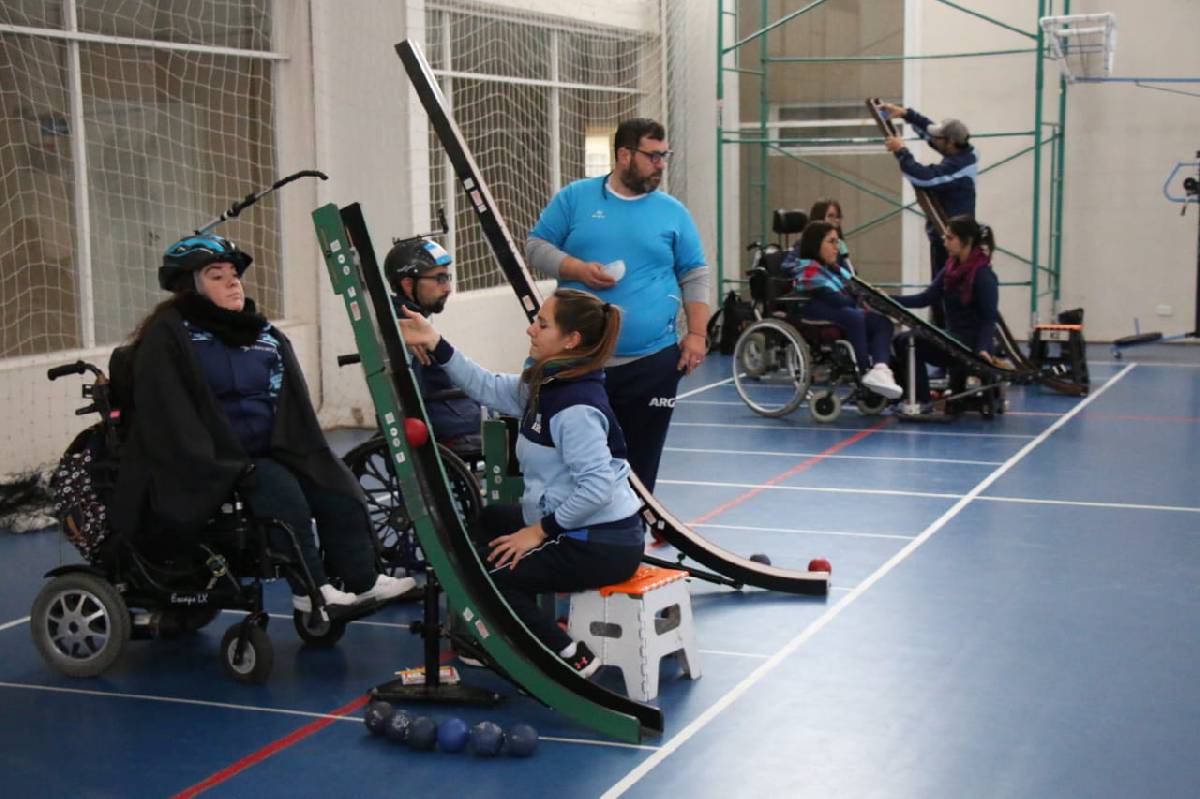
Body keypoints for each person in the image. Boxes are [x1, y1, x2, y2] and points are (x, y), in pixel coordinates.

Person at [110, 233, 413, 613]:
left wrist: (305, 453)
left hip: (271, 448)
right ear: (190, 286)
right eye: (216, 275)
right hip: (213, 458)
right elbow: (170, 416)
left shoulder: (263, 335)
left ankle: (364, 580)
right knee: (286, 496)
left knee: (335, 483)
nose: (233, 281)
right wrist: (228, 463)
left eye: (234, 274)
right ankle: (312, 591)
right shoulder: (169, 337)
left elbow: (292, 407)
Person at [397, 288, 643, 677]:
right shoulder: (548, 385)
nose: (531, 329)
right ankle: (496, 630)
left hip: (600, 543)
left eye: (542, 324)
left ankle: (570, 655)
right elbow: (486, 386)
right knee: (490, 521)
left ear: (571, 340)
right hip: (580, 529)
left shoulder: (575, 406)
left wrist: (538, 533)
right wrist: (435, 342)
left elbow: (597, 489)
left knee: (489, 578)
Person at [524, 117, 709, 496]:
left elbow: (694, 273)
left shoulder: (672, 212)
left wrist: (697, 335)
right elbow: (536, 248)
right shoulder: (575, 198)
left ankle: (631, 535)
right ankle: (569, 534)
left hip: (651, 362)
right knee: (570, 454)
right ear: (624, 155)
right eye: (652, 155)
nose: (661, 164)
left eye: (664, 155)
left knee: (640, 462)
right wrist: (577, 269)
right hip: (577, 362)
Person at [383, 236, 484, 458]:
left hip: (451, 414)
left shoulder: (399, 319)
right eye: (439, 279)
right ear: (408, 284)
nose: (448, 288)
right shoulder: (409, 327)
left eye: (447, 278)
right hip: (452, 423)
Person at [879, 103, 978, 328]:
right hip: (947, 237)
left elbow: (923, 177)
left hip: (951, 239)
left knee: (944, 295)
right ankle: (943, 329)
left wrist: (901, 150)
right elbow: (931, 134)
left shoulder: (958, 168)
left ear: (951, 143)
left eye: (940, 139)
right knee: (938, 293)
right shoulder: (961, 152)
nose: (934, 141)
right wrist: (906, 114)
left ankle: (947, 334)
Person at [889, 216, 999, 412]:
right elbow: (924, 298)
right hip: (953, 338)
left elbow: (989, 319)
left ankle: (922, 401)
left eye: (950, 238)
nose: (945, 241)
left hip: (970, 344)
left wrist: (983, 349)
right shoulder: (950, 268)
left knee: (908, 341)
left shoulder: (983, 275)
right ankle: (912, 395)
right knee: (900, 340)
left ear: (966, 241)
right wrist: (888, 299)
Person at [781, 221, 902, 399]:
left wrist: (872, 294)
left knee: (881, 322)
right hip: (812, 313)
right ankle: (864, 373)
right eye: (831, 242)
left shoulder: (835, 269)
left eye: (837, 242)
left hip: (840, 311)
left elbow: (856, 290)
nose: (836, 248)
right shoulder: (807, 270)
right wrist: (859, 297)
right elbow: (838, 300)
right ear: (816, 245)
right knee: (853, 315)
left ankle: (880, 368)